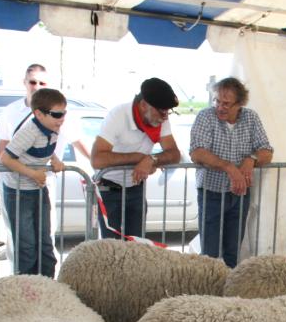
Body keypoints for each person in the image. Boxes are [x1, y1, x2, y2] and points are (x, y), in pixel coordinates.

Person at [189, 77, 273, 268]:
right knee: (209, 253)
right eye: (217, 101)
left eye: (226, 103)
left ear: (240, 104)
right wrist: (229, 167)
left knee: (232, 250)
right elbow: (197, 152)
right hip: (211, 192)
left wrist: (251, 159)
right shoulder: (205, 116)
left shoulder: (251, 118)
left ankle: (228, 292)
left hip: (239, 195)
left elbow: (267, 152)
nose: (220, 107)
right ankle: (206, 293)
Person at [91, 77, 181, 239]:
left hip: (136, 190)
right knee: (111, 251)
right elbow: (97, 159)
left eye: (167, 111)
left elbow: (174, 153)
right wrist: (138, 158)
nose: (165, 116)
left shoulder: (161, 119)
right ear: (144, 105)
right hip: (108, 191)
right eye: (161, 111)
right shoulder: (118, 115)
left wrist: (150, 159)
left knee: (137, 249)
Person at [0, 88, 68, 278]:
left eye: (64, 113)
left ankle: (47, 286)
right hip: (18, 192)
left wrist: (54, 159)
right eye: (57, 114)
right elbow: (6, 158)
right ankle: (27, 293)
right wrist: (32, 174)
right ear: (38, 114)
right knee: (27, 246)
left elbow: (43, 148)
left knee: (45, 242)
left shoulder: (52, 130)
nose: (61, 118)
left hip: (38, 189)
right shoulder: (29, 131)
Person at [0, 63, 89, 163]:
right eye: (33, 82)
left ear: (48, 84)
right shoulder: (10, 110)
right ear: (24, 82)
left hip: (45, 176)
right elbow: (4, 142)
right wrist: (1, 170)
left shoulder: (61, 112)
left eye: (42, 83)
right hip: (16, 176)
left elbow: (78, 142)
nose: (37, 87)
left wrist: (99, 168)